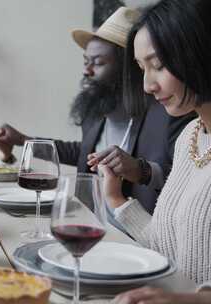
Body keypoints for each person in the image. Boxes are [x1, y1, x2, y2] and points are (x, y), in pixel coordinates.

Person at [0, 7, 195, 215]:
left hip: (137, 236)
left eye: (98, 63)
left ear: (130, 68)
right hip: (91, 223)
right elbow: (85, 153)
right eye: (86, 62)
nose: (86, 71)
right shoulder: (97, 112)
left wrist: (140, 169)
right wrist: (24, 141)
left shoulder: (170, 112)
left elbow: (190, 179)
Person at [101, 0, 211, 302]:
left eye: (158, 65)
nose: (147, 85)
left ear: (198, 52)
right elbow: (167, 246)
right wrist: (115, 197)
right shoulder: (191, 135)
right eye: (141, 68)